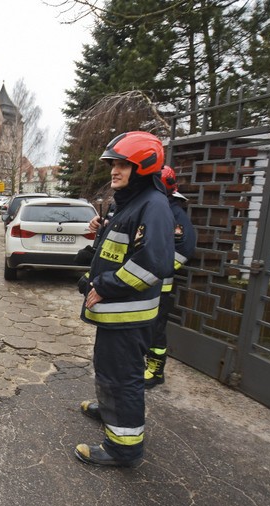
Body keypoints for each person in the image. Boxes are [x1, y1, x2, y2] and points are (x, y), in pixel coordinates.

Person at [75, 131, 174, 467]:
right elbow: (123, 247)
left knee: (123, 378)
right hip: (116, 314)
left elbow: (152, 263)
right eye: (113, 164)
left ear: (143, 168)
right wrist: (100, 229)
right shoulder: (131, 203)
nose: (114, 171)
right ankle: (109, 410)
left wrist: (104, 286)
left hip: (128, 316)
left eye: (122, 165)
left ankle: (123, 448)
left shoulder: (154, 206)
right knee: (108, 370)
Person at [145, 165, 196, 388]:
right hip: (144, 283)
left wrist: (159, 270)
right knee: (145, 328)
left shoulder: (175, 214)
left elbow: (185, 248)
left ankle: (155, 370)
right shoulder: (157, 208)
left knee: (156, 330)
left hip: (160, 286)